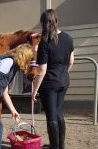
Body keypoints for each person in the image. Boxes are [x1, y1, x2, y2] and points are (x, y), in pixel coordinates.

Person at [32, 9, 74, 149]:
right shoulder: (68, 38)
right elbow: (71, 61)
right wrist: (63, 74)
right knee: (58, 113)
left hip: (49, 84)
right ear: (56, 20)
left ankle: (54, 147)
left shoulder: (45, 42)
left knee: (51, 117)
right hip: (64, 81)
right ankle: (60, 146)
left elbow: (42, 70)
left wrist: (34, 91)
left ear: (44, 23)